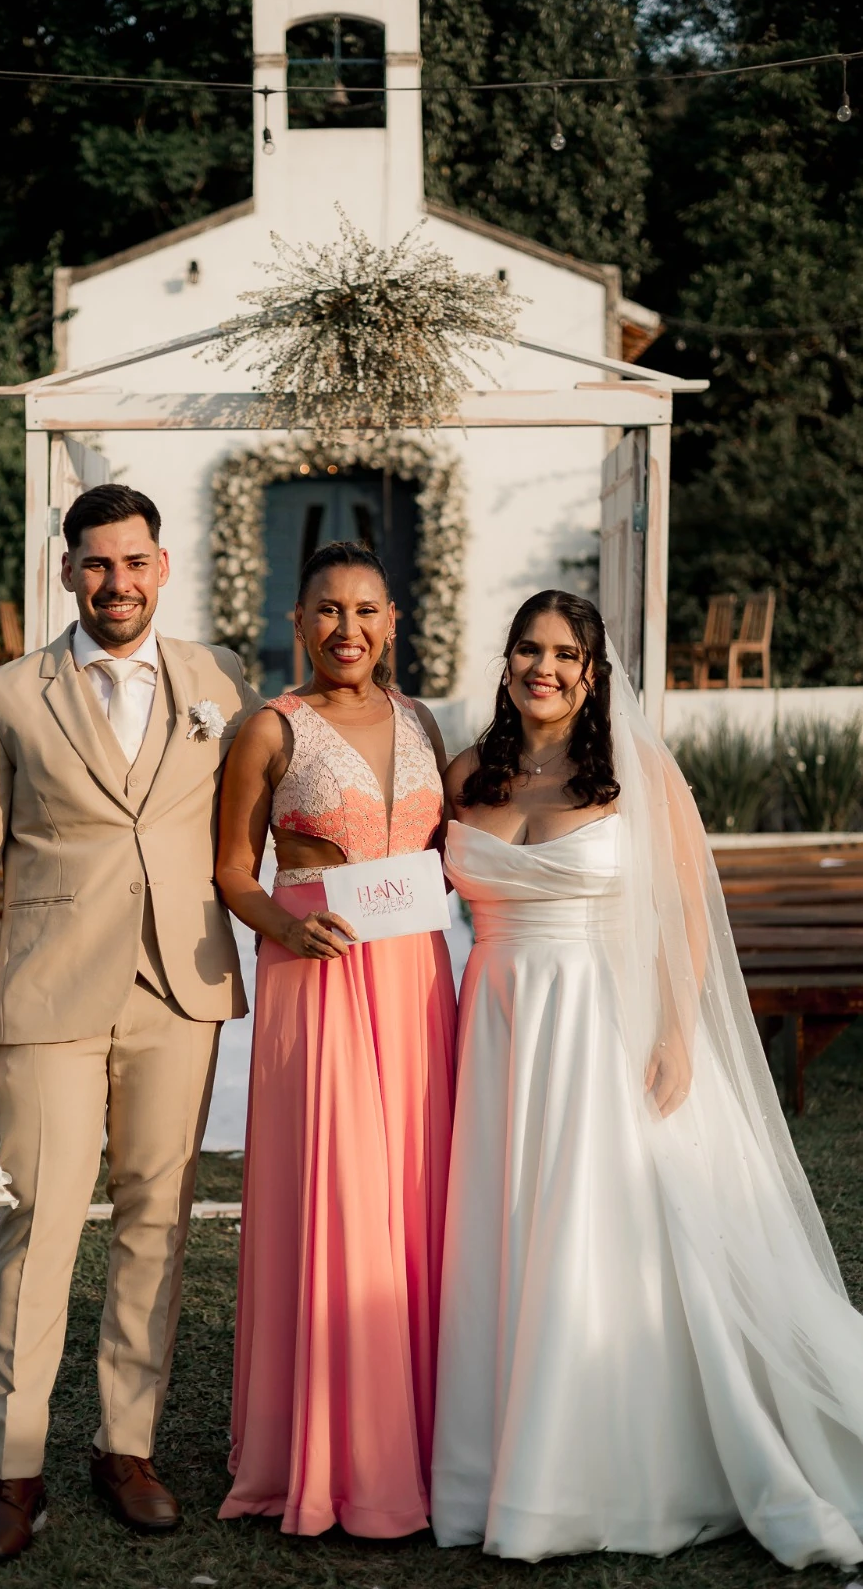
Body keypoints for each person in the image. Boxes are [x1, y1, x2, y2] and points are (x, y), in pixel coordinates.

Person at [431, 589, 863, 1567]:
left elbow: (683, 916)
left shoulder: (639, 775)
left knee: (602, 1227)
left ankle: (594, 1467)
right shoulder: (464, 775)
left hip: (602, 1024)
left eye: (564, 654)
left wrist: (674, 1031)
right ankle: (491, 1458)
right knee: (508, 1227)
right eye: (528, 649)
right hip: (495, 1028)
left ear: (592, 673)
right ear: (505, 662)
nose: (543, 667)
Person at [0, 483, 261, 1563]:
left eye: (135, 562)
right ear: (67, 572)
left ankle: (127, 1447)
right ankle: (13, 1471)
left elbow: (252, 823)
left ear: (163, 567)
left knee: (157, 1223)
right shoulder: (9, 693)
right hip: (48, 997)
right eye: (96, 564)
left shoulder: (218, 682)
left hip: (180, 989)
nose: (117, 583)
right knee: (38, 1229)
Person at [215, 540, 457, 1537]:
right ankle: (323, 1457)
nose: (346, 627)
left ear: (393, 621)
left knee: (413, 1202)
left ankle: (427, 1439)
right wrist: (282, 926)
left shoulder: (423, 721)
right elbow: (230, 868)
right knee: (336, 1204)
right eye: (326, 609)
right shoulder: (268, 728)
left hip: (414, 989)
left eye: (366, 609)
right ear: (296, 620)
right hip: (314, 980)